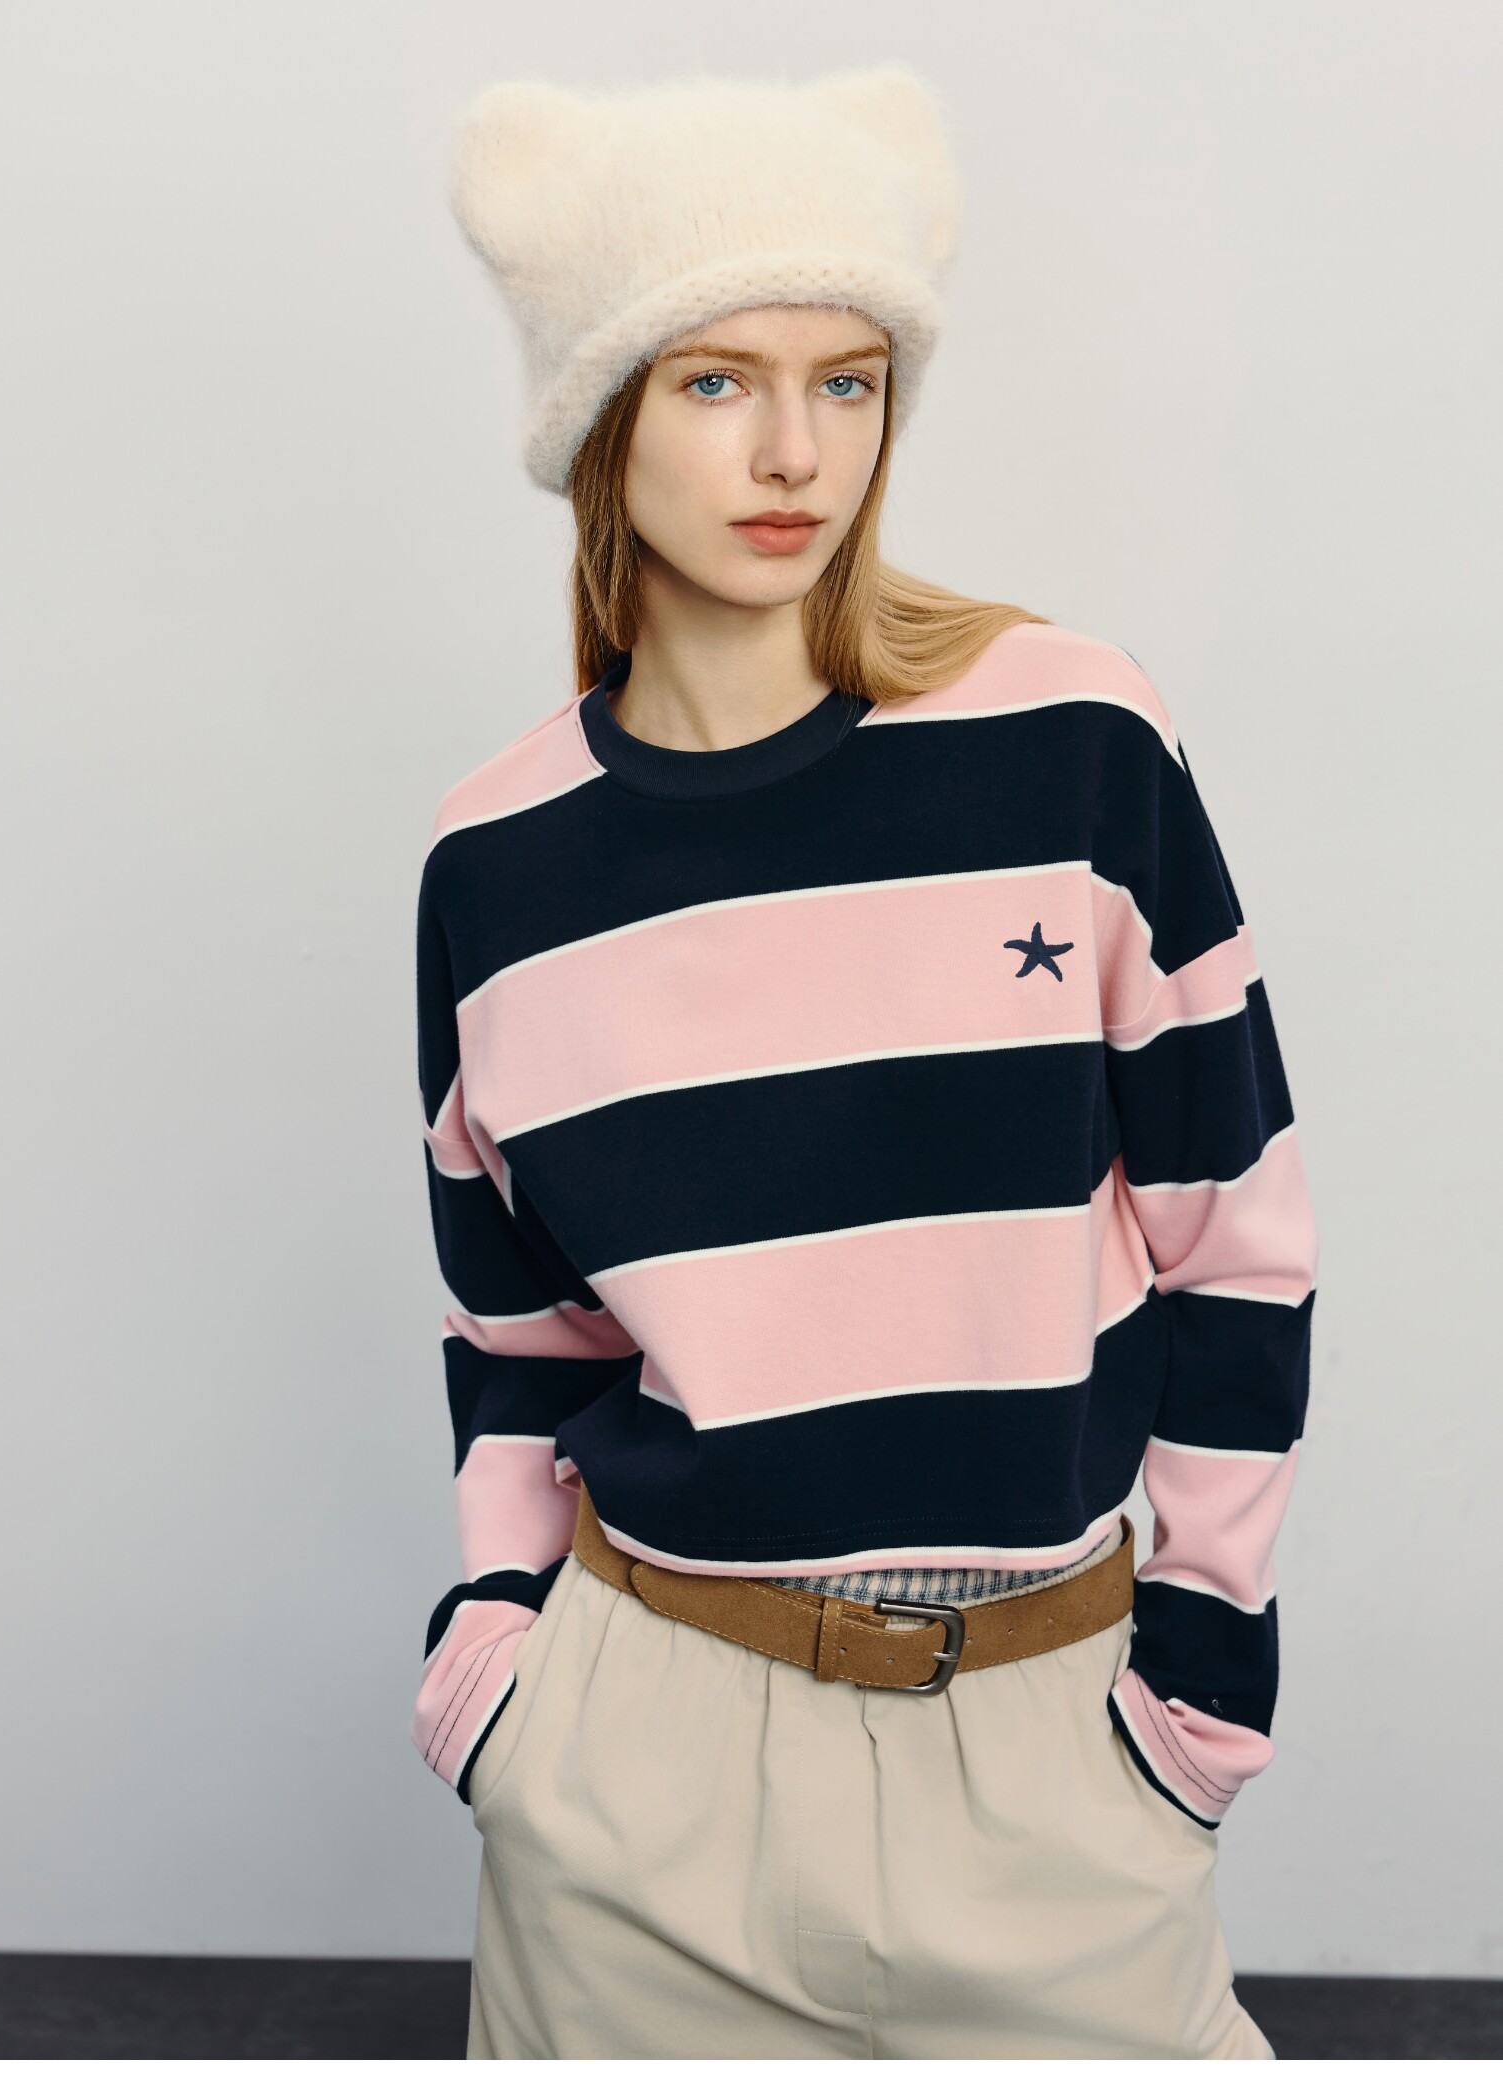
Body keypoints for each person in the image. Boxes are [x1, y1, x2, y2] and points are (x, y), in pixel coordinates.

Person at [409, 65, 1318, 2061]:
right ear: (601, 413)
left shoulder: (1073, 744)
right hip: (637, 1767)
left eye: (848, 379)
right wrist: (498, 1669)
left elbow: (1236, 1238)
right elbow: (520, 1336)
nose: (794, 451)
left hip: (1047, 1752)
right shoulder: (497, 862)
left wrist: (1200, 1684)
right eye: (715, 380)